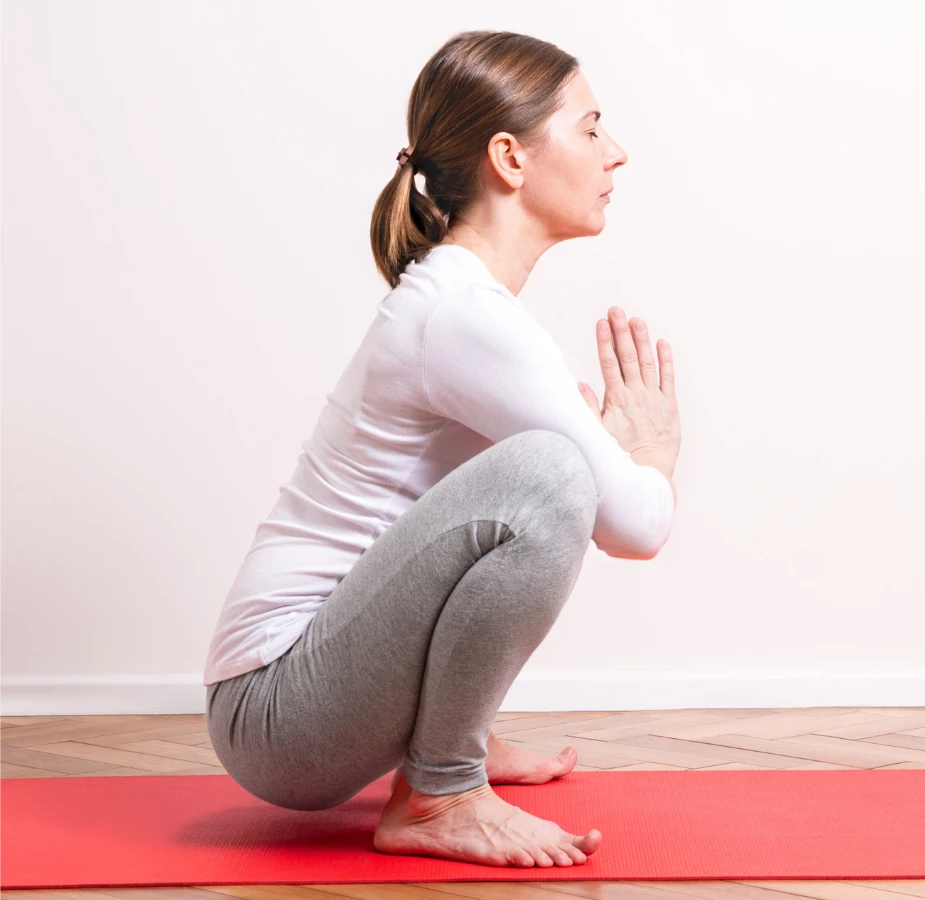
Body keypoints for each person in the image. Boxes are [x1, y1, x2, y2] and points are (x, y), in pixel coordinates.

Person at [201, 30, 680, 869]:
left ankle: (451, 748)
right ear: (511, 158)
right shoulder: (463, 316)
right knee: (550, 471)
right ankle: (440, 791)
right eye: (592, 128)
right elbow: (634, 526)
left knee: (546, 455)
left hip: (300, 700)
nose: (618, 153)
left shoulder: (465, 306)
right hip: (277, 714)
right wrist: (652, 455)